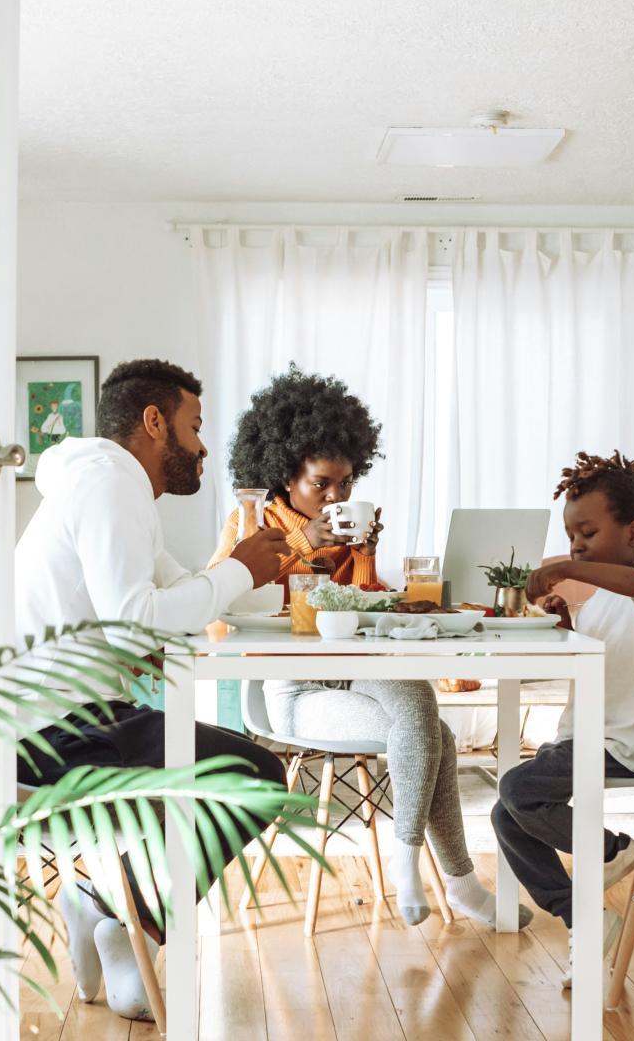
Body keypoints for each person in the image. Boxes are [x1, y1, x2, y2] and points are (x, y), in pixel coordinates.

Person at [15, 358, 290, 1022]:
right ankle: (116, 917)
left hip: (66, 716)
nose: (200, 447)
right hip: (45, 735)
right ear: (154, 421)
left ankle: (106, 907)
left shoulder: (107, 484)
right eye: (194, 427)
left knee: (236, 764)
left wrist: (238, 574)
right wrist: (238, 569)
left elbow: (173, 597)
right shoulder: (111, 483)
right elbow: (139, 617)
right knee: (255, 775)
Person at [206, 367, 521, 929]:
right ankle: (450, 879)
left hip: (353, 672)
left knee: (420, 704)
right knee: (435, 733)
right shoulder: (250, 523)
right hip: (294, 689)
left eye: (346, 483)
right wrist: (303, 542)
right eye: (321, 483)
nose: (336, 496)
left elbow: (356, 611)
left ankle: (418, 866)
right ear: (283, 474)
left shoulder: (348, 528)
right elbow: (219, 611)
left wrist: (368, 557)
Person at [489, 450, 634, 985]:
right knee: (506, 815)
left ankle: (615, 850)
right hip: (580, 738)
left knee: (519, 791)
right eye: (572, 537)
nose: (575, 546)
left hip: (621, 743)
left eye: (587, 534)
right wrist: (566, 616)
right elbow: (593, 659)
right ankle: (584, 918)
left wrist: (567, 569)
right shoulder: (597, 604)